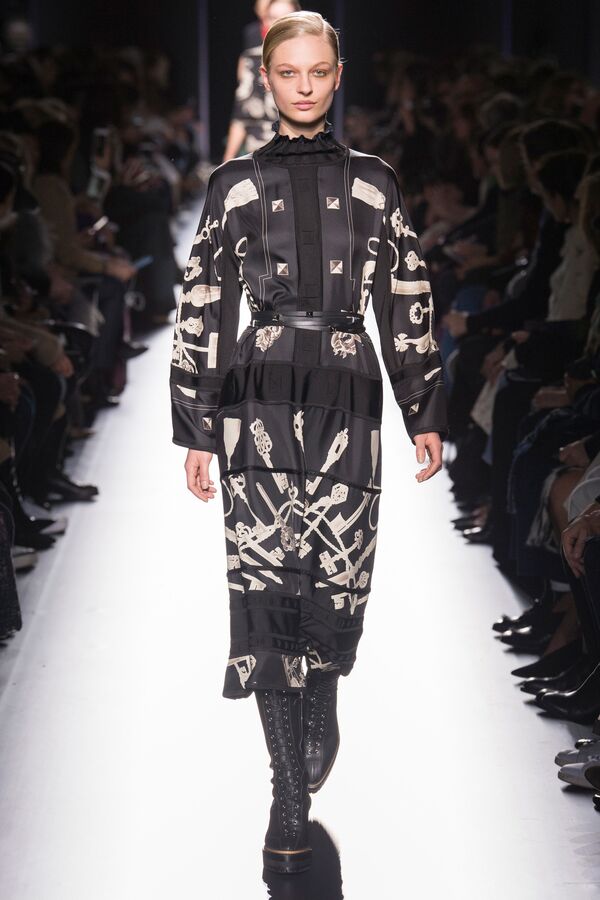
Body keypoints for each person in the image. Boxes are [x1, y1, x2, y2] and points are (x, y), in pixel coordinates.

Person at [169, 11, 447, 875]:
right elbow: (204, 304)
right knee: (264, 587)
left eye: (316, 71)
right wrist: (196, 426)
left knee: (336, 572)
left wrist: (425, 408)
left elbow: (405, 296)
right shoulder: (234, 186)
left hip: (348, 395)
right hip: (256, 394)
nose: (302, 86)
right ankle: (286, 794)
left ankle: (323, 690)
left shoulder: (375, 183)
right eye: (287, 72)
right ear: (267, 77)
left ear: (337, 74)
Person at [222, 0, 301, 162]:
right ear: (264, 22)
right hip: (259, 156)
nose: (278, 24)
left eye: (285, 18)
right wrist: (227, 161)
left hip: (297, 155)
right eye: (272, 18)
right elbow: (242, 114)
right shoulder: (253, 59)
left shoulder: (310, 62)